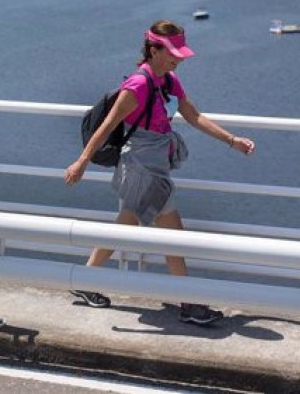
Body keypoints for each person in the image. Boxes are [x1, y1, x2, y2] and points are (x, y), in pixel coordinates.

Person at [64, 19, 255, 326]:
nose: (178, 59)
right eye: (172, 53)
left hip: (157, 165)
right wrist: (82, 161)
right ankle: (189, 303)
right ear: (153, 50)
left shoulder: (168, 81)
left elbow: (193, 116)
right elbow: (107, 126)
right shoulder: (138, 85)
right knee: (174, 235)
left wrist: (231, 140)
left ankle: (85, 280)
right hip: (141, 167)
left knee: (125, 223)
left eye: (180, 53)